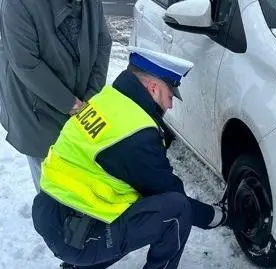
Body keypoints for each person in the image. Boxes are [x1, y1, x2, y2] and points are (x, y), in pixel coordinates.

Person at [31, 47, 243, 269]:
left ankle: (79, 263)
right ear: (153, 88)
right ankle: (84, 257)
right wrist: (221, 217)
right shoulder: (136, 136)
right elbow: (172, 197)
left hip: (56, 213)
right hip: (77, 233)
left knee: (134, 209)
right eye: (170, 96)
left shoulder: (108, 99)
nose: (170, 105)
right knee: (177, 211)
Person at [0, 0, 112, 193]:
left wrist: (90, 96)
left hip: (82, 104)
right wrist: (70, 103)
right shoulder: (16, 3)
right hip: (35, 108)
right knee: (50, 186)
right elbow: (25, 63)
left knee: (82, 180)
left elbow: (103, 42)